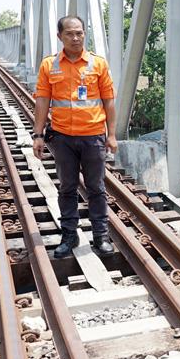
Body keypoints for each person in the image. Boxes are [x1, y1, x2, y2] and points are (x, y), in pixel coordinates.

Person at [32, 15, 117, 258]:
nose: (76, 38)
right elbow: (42, 101)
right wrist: (38, 135)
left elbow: (109, 101)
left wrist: (112, 135)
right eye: (70, 33)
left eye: (79, 33)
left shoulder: (98, 64)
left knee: (96, 187)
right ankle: (69, 235)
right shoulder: (49, 65)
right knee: (67, 187)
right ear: (60, 36)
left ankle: (101, 236)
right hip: (63, 138)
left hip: (93, 136)